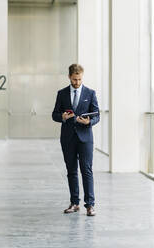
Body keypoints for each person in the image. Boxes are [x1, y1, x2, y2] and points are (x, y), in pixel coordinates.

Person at [52, 64, 100, 216]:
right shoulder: (62, 94)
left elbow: (97, 115)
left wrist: (89, 122)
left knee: (86, 170)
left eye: (79, 79)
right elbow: (54, 114)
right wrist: (62, 117)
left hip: (85, 138)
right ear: (69, 77)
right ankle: (74, 203)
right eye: (74, 79)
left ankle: (90, 205)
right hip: (68, 138)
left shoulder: (90, 93)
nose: (77, 82)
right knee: (71, 171)